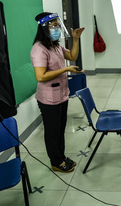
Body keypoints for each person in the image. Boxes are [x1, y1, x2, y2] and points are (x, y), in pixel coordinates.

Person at [30, 12, 85, 173]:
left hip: (61, 94)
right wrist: (66, 69)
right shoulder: (39, 49)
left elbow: (73, 55)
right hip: (48, 98)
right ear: (44, 27)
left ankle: (61, 157)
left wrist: (75, 39)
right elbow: (40, 76)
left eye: (57, 25)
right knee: (53, 131)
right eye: (53, 25)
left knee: (60, 129)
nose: (57, 28)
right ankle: (56, 161)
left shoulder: (55, 45)